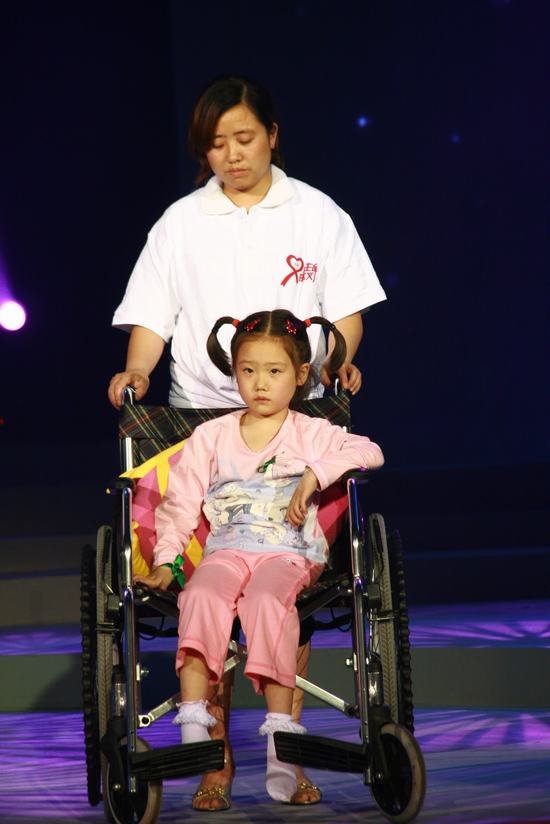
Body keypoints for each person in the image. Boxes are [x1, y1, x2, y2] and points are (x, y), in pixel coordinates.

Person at [108, 74, 387, 809]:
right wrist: (137, 371)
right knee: (209, 587)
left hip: (302, 415)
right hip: (203, 419)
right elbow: (152, 315)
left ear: (272, 136)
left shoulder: (317, 214)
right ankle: (214, 761)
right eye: (215, 144)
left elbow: (347, 310)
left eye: (244, 138)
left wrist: (335, 361)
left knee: (280, 583)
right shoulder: (180, 223)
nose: (230, 154)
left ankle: (285, 755)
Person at [135, 310, 384, 810]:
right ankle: (194, 724)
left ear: (300, 375)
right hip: (227, 549)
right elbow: (179, 505)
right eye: (248, 371)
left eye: (275, 372)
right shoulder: (211, 436)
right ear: (234, 372)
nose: (261, 383)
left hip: (288, 553)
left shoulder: (311, 431)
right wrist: (167, 561)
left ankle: (281, 744)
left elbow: (370, 451)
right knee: (200, 594)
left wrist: (315, 475)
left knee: (269, 601)